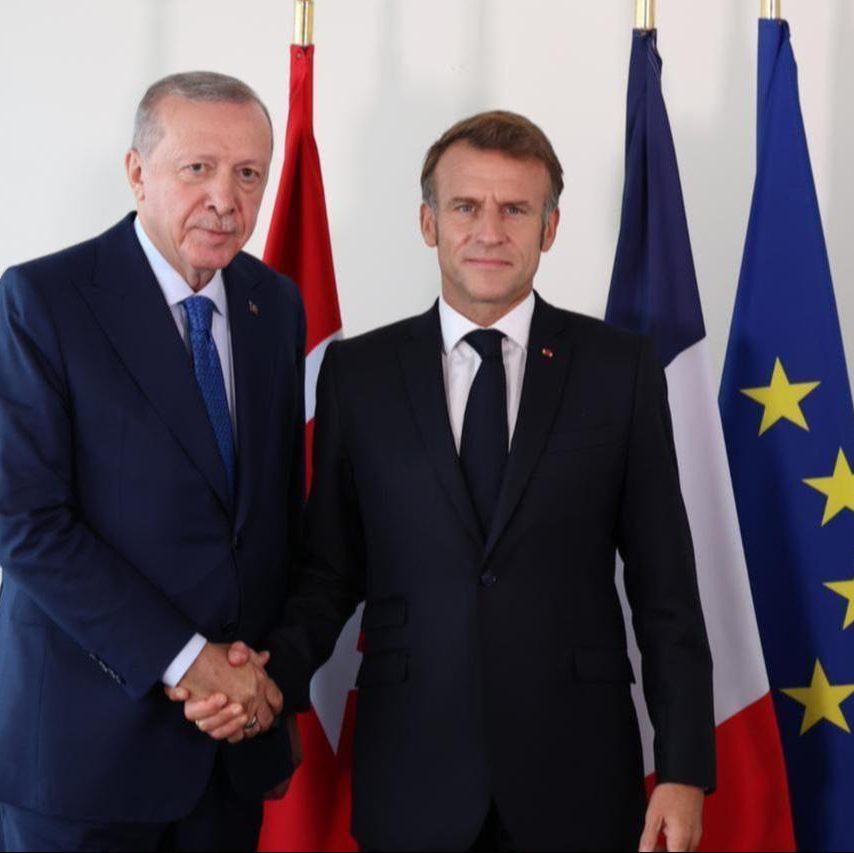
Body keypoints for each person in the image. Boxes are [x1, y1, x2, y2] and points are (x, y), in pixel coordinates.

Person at [181, 111, 716, 851]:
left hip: (579, 775)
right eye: (466, 206)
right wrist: (265, 683)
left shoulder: (617, 371)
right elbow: (331, 570)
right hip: (413, 773)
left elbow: (667, 590)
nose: (489, 230)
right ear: (429, 223)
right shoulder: (358, 375)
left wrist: (685, 770)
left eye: (515, 209)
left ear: (550, 227)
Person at [0, 71, 304, 852]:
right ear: (136, 172)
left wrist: (252, 678)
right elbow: (26, 523)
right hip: (80, 757)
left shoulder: (273, 305)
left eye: (250, 173)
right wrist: (191, 662)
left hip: (228, 755)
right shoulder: (44, 299)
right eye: (199, 168)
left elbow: (273, 515)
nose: (226, 198)